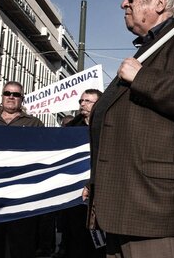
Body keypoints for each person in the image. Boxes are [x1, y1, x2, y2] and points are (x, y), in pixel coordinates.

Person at [82, 0, 174, 258]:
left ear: (159, 3)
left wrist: (142, 77)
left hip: (155, 209)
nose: (123, 3)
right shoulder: (146, 51)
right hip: (120, 205)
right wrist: (97, 182)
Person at [0, 81, 44, 258]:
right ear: (2, 96)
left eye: (16, 94)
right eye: (7, 93)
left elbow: (42, 155)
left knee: (22, 244)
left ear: (21, 99)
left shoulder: (34, 124)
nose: (11, 97)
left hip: (21, 195)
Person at [62, 89, 105, 258]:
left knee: (97, 241)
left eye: (88, 101)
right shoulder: (70, 128)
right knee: (74, 237)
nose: (83, 104)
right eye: (81, 101)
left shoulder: (107, 126)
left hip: (98, 191)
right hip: (74, 193)